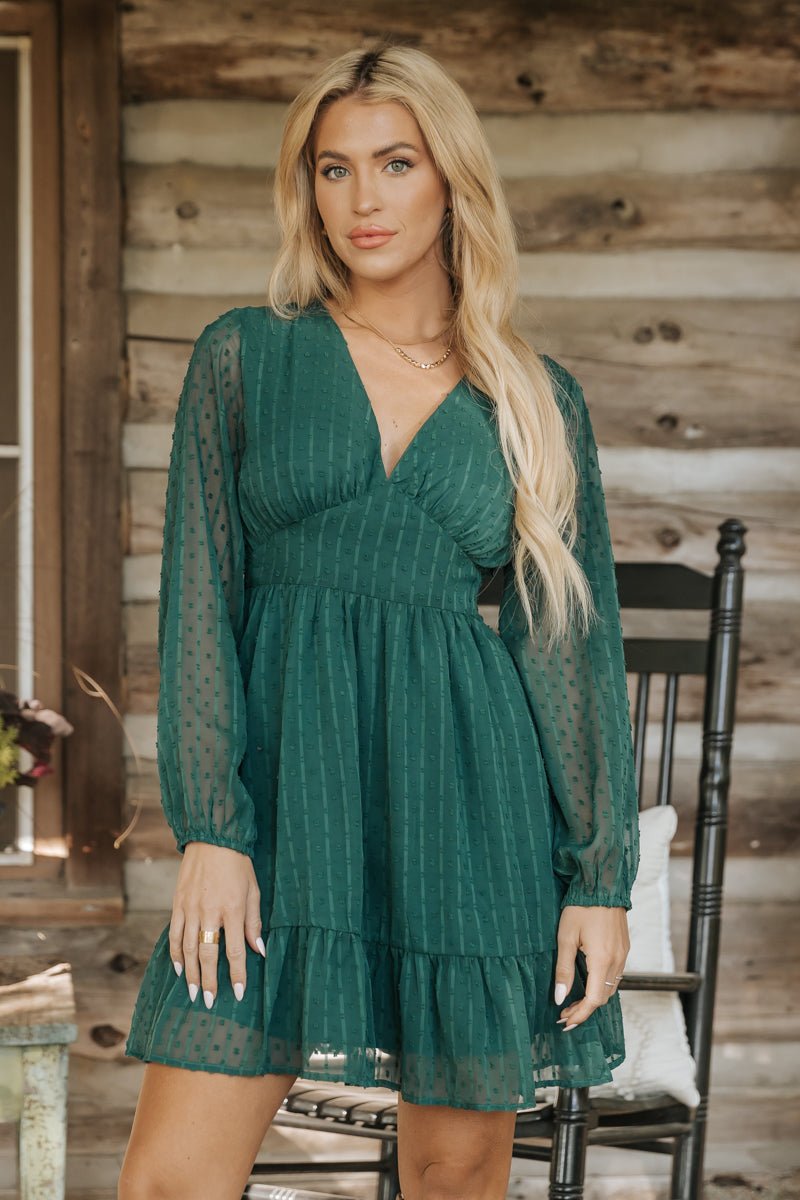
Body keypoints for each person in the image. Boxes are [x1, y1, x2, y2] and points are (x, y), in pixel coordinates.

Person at [118, 39, 640, 1200]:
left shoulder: (532, 399)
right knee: (170, 1182)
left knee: (454, 1177)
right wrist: (212, 829)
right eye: (333, 167)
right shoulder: (248, 357)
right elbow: (200, 600)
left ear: (449, 179)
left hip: (463, 813)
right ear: (306, 187)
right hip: (279, 809)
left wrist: (598, 880)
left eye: (395, 163)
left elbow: (566, 650)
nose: (362, 198)